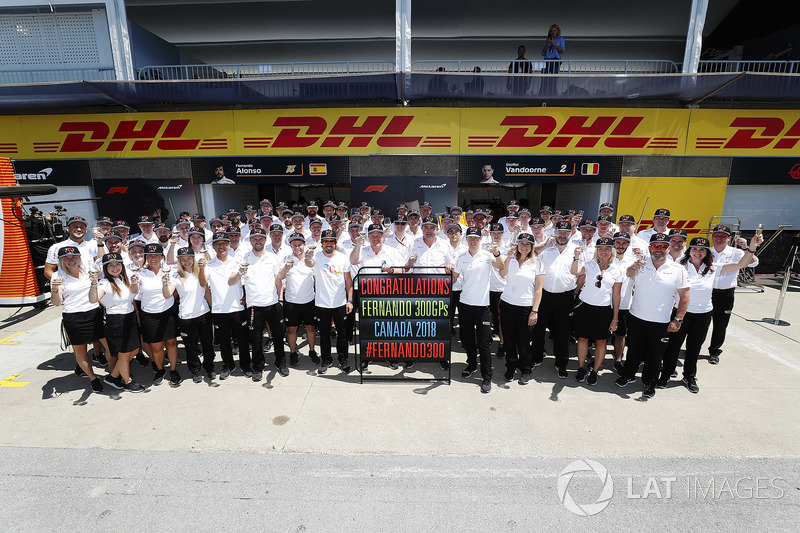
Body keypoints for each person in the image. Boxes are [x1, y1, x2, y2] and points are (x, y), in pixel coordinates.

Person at [659, 235, 763, 393]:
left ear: (707, 252)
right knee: (673, 347)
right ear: (689, 250)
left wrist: (752, 247)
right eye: (695, 249)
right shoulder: (679, 266)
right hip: (681, 313)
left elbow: (742, 263)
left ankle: (689, 377)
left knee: (694, 348)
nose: (698, 252)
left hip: (703, 314)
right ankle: (665, 374)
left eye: (702, 250)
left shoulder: (713, 267)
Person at [616, 234, 690, 399]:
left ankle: (650, 383)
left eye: (662, 246)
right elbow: (628, 274)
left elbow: (685, 296)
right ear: (649, 248)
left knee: (655, 355)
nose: (658, 250)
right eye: (655, 246)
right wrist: (634, 267)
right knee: (634, 350)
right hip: (636, 317)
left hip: (661, 321)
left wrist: (678, 319)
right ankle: (627, 375)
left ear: (668, 248)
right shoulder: (640, 264)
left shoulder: (678, 269)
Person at [453, 227, 505, 393]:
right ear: (466, 240)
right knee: (468, 339)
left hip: (482, 306)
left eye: (476, 238)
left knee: (484, 343)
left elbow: (501, 268)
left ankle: (486, 376)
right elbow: (453, 277)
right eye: (470, 238)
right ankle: (472, 365)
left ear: (480, 240)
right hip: (465, 304)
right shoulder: (461, 257)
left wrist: (496, 253)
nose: (473, 241)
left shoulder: (488, 255)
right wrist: (446, 270)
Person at [50, 247, 106, 393]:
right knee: (80, 351)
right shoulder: (58, 276)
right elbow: (57, 302)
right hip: (73, 317)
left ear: (79, 258)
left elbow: (104, 264)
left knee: (111, 347)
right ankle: (93, 378)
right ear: (61, 261)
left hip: (94, 313)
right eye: (67, 258)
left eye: (74, 257)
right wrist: (55, 290)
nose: (71, 261)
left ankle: (114, 374)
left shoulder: (89, 270)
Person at [235, 227, 287, 380]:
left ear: (266, 240)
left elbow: (278, 279)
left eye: (261, 239)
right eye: (254, 239)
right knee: (256, 340)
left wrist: (280, 300)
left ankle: (281, 363)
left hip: (272, 304)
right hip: (253, 307)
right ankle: (258, 367)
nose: (258, 241)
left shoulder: (272, 257)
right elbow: (241, 282)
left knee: (278, 337)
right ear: (250, 240)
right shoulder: (244, 258)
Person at [569, 238, 622, 386]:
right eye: (600, 249)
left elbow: (616, 295)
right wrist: (576, 257)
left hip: (604, 310)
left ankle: (595, 371)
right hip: (585, 307)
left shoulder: (617, 270)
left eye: (607, 249)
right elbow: (574, 271)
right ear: (596, 251)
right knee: (583, 338)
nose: (603, 251)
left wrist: (615, 318)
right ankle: (581, 368)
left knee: (601, 341)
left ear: (611, 251)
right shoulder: (589, 265)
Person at [90, 252, 144, 392]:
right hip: (117, 321)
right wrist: (94, 285)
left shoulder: (122, 278)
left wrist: (134, 283)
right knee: (124, 354)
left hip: (129, 318)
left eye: (118, 264)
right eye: (111, 265)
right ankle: (128, 381)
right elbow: (93, 299)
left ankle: (113, 376)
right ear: (105, 268)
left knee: (135, 350)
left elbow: (133, 293)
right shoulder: (104, 283)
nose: (115, 267)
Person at [707, 224, 760, 364]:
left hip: (726, 294)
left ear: (729, 238)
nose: (719, 238)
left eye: (723, 236)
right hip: (706, 293)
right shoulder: (705, 251)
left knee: (721, 324)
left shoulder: (737, 252)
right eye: (717, 235)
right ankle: (693, 349)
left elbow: (754, 263)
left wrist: (746, 247)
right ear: (712, 237)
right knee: (701, 324)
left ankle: (714, 351)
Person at [498, 233, 544, 385]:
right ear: (517, 245)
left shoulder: (537, 263)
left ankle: (525, 369)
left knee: (524, 341)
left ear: (531, 247)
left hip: (525, 306)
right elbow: (502, 273)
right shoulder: (510, 259)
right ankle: (511, 366)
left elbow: (538, 289)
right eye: (521, 243)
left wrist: (535, 311)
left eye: (527, 244)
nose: (524, 247)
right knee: (509, 340)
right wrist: (508, 257)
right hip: (507, 303)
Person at [531, 221, 577, 377]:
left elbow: (581, 272)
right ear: (555, 232)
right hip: (544, 295)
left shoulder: (576, 250)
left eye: (566, 232)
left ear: (571, 233)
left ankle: (561, 363)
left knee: (563, 332)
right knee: (538, 328)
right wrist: (544, 245)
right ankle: (536, 356)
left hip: (565, 296)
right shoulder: (547, 247)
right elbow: (531, 254)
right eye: (560, 231)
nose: (562, 235)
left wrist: (575, 292)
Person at [163, 247, 215, 382]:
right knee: (191, 346)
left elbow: (205, 289)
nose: (187, 261)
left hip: (203, 313)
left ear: (194, 259)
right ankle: (195, 370)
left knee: (207, 343)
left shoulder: (201, 272)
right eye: (183, 259)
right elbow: (167, 294)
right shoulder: (175, 275)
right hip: (186, 316)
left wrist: (212, 307)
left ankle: (209, 367)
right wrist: (164, 283)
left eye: (189, 258)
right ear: (179, 261)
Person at [308, 230, 354, 375]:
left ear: (335, 243)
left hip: (340, 303)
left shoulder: (343, 258)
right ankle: (326, 359)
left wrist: (350, 300)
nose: (329, 244)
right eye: (326, 241)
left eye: (331, 241)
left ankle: (343, 359)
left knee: (342, 334)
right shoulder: (316, 258)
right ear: (321, 243)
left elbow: (348, 280)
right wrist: (308, 257)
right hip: (322, 303)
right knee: (324, 334)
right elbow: (308, 263)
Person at [205, 232, 250, 380]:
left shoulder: (238, 262)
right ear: (213, 246)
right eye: (218, 244)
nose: (221, 246)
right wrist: (212, 305)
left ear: (229, 245)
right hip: (219, 310)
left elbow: (245, 283)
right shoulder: (208, 265)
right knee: (224, 341)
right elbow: (204, 286)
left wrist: (245, 297)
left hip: (237, 307)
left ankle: (245, 365)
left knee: (243, 340)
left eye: (224, 243)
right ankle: (228, 365)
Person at [137, 243, 181, 386]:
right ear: (145, 257)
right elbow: (136, 296)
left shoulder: (170, 272)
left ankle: (173, 370)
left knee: (171, 342)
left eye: (156, 255)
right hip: (149, 314)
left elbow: (174, 292)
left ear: (162, 257)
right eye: (149, 255)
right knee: (156, 347)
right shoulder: (139, 274)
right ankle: (160, 370)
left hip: (168, 312)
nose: (153, 258)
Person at [279, 233, 318, 366]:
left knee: (310, 327)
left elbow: (316, 278)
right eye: (294, 245)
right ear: (290, 245)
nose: (297, 247)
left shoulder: (311, 259)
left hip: (309, 300)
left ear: (304, 245)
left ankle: (312, 351)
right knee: (291, 329)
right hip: (291, 301)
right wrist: (286, 268)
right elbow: (279, 277)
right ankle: (293, 352)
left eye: (299, 244)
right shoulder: (286, 259)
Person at [611, 232, 635, 375]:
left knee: (620, 335)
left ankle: (618, 359)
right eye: (618, 242)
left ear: (628, 244)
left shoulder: (634, 262)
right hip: (605, 303)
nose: (620, 246)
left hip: (624, 304)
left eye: (624, 243)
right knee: (600, 335)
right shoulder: (606, 258)